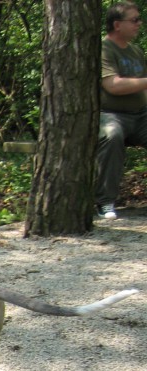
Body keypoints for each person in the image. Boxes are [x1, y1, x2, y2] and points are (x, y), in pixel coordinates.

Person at [96, 2, 147, 220]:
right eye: (134, 20)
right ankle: (105, 201)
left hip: (140, 114)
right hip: (110, 114)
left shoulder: (135, 51)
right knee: (112, 136)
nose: (139, 24)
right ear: (117, 24)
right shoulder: (104, 49)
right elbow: (113, 86)